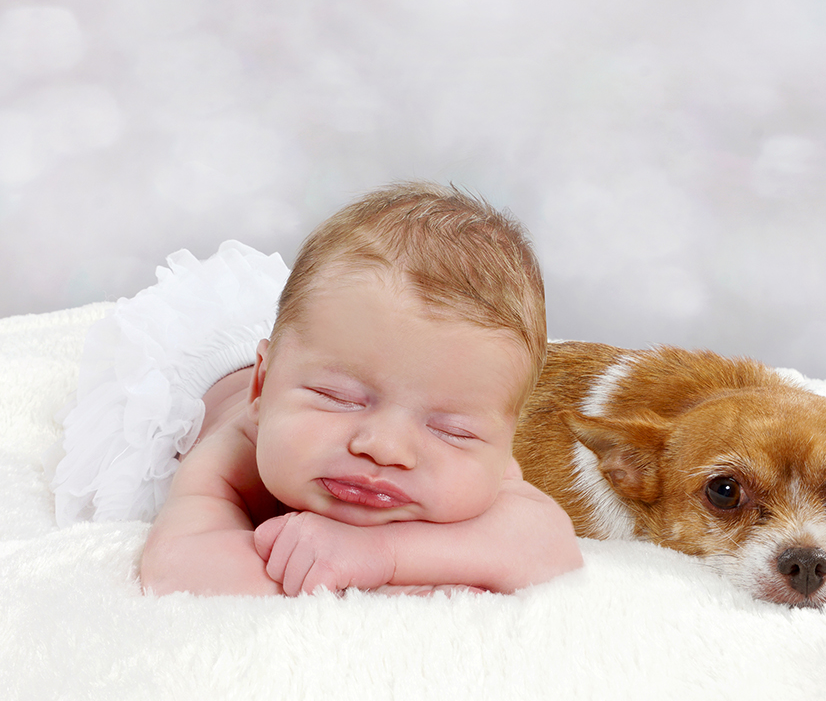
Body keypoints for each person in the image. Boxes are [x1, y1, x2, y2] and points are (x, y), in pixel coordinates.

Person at [50, 181, 583, 596]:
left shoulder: (477, 461)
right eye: (339, 398)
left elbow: (549, 547)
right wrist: (392, 584)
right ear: (263, 388)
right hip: (198, 375)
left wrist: (381, 557)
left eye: (451, 430)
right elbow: (178, 568)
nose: (384, 448)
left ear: (503, 445)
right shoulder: (233, 457)